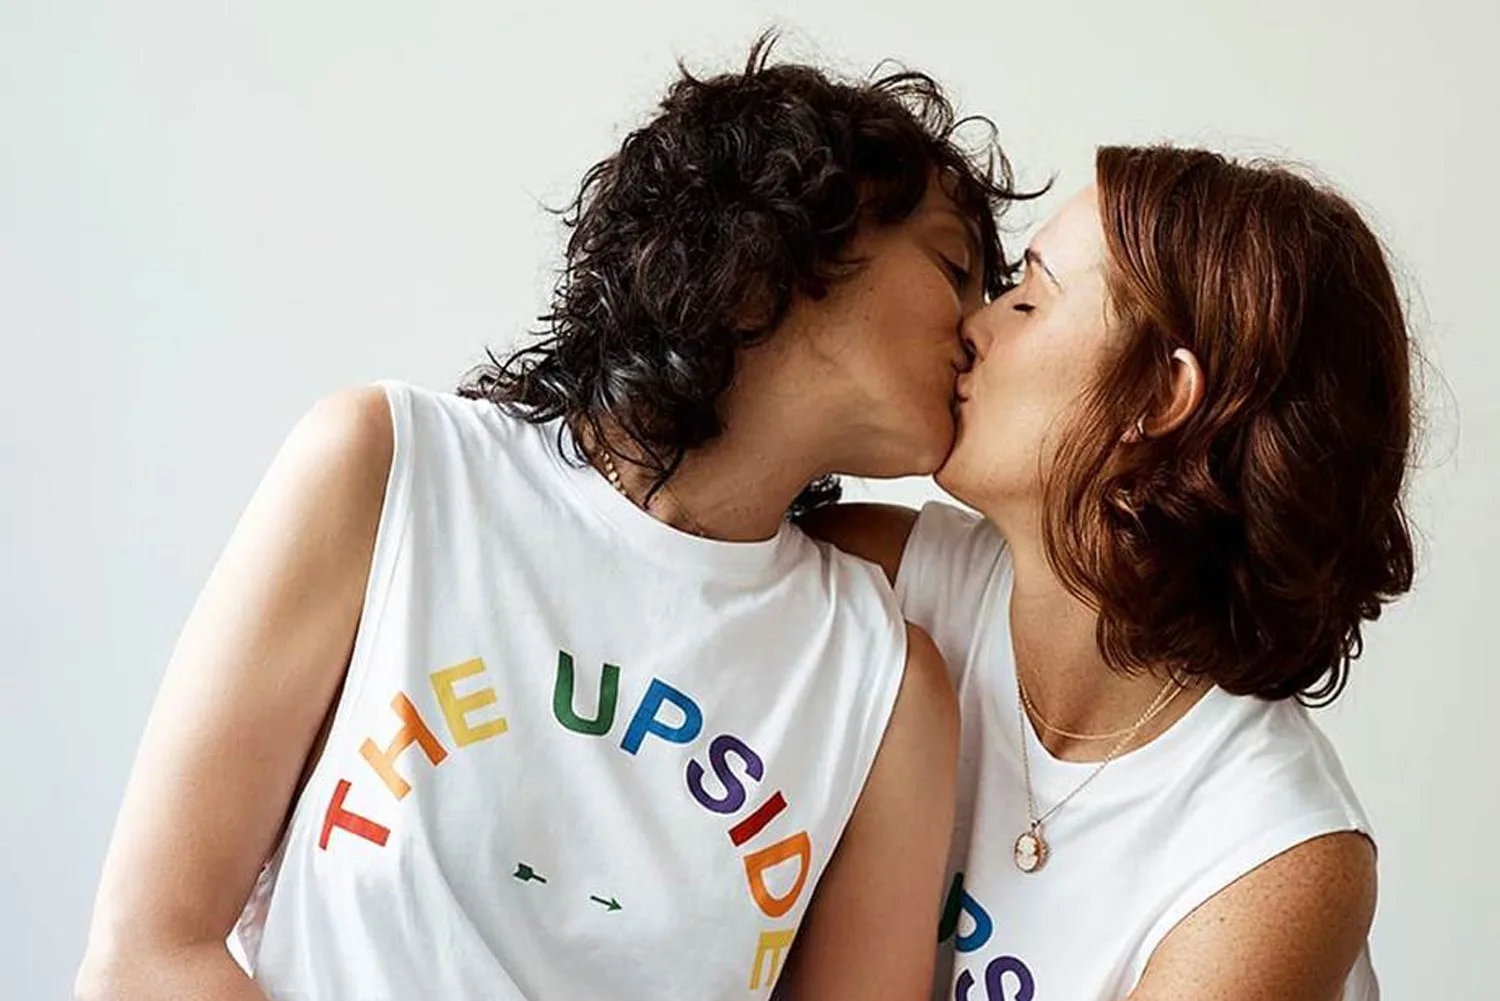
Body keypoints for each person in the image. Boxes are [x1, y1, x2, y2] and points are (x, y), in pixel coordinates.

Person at [76, 40, 1027, 1001]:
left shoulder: (882, 687)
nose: (982, 327)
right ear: (785, 229)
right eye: (954, 268)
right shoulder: (394, 468)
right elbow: (148, 955)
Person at [811, 144, 1413, 1000]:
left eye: (1029, 295)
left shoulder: (1275, 855)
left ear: (1157, 398)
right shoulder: (877, 586)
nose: (973, 326)